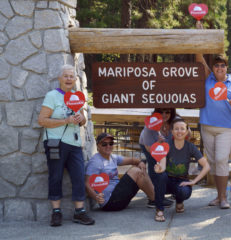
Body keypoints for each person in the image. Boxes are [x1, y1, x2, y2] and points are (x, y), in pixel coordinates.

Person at [195, 21, 231, 209]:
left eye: (222, 66)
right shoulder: (208, 77)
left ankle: (224, 198)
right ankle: (218, 196)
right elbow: (199, 57)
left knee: (222, 159)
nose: (219, 68)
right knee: (214, 162)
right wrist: (199, 35)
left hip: (226, 128)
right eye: (216, 66)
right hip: (207, 126)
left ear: (226, 67)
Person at [38, 64, 95, 227]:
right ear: (60, 78)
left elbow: (83, 121)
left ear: (75, 79)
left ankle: (80, 212)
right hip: (55, 142)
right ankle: (56, 212)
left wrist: (80, 119)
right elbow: (42, 120)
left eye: (72, 76)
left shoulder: (77, 96)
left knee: (78, 177)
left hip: (75, 143)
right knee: (55, 176)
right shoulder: (52, 96)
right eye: (66, 76)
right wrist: (65, 120)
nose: (69, 79)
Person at [153, 118, 210, 222]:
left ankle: (179, 201)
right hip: (167, 181)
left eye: (182, 129)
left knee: (184, 192)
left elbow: (207, 166)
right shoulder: (166, 144)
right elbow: (163, 165)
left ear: (187, 130)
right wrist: (159, 169)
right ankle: (159, 210)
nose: (179, 131)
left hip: (181, 181)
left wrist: (194, 181)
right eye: (176, 129)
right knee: (161, 176)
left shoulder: (191, 147)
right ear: (172, 131)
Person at [85, 133, 155, 212]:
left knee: (138, 168)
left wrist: (140, 162)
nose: (108, 146)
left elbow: (132, 160)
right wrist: (96, 197)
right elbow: (87, 183)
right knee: (136, 171)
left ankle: (155, 197)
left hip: (118, 195)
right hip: (110, 202)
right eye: (104, 144)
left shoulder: (113, 157)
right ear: (98, 146)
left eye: (110, 143)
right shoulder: (95, 162)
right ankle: (156, 200)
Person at [139, 108, 178, 208]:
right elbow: (149, 149)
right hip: (150, 146)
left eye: (167, 112)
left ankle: (170, 190)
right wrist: (158, 144)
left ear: (172, 112)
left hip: (167, 146)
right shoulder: (150, 126)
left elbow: (187, 134)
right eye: (161, 112)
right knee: (155, 166)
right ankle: (154, 198)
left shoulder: (176, 121)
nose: (164, 114)